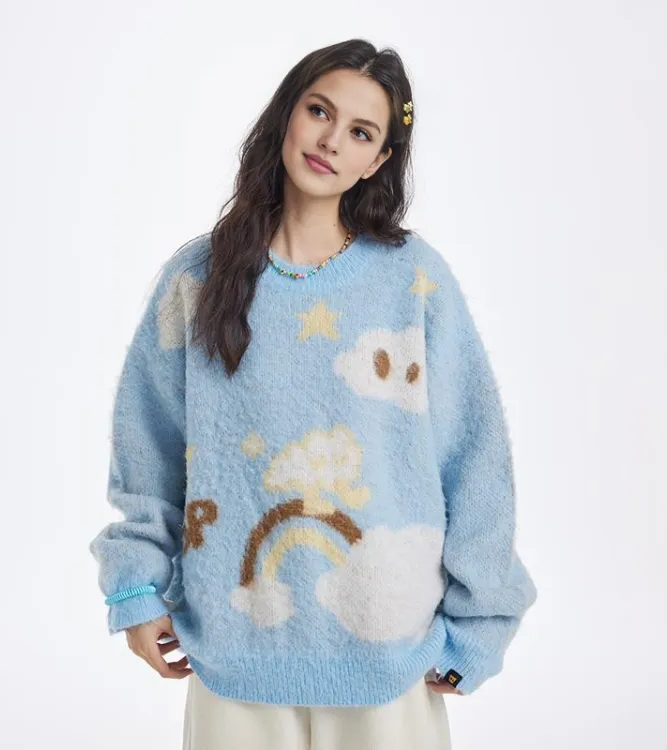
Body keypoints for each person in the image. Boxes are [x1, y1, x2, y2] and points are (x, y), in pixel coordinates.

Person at [89, 37, 538, 750]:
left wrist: (481, 623)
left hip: (389, 656)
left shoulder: (413, 281)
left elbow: (473, 458)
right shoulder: (196, 280)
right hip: (234, 655)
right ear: (287, 114)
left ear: (378, 160)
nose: (331, 141)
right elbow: (147, 450)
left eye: (360, 132)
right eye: (320, 111)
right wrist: (136, 588)